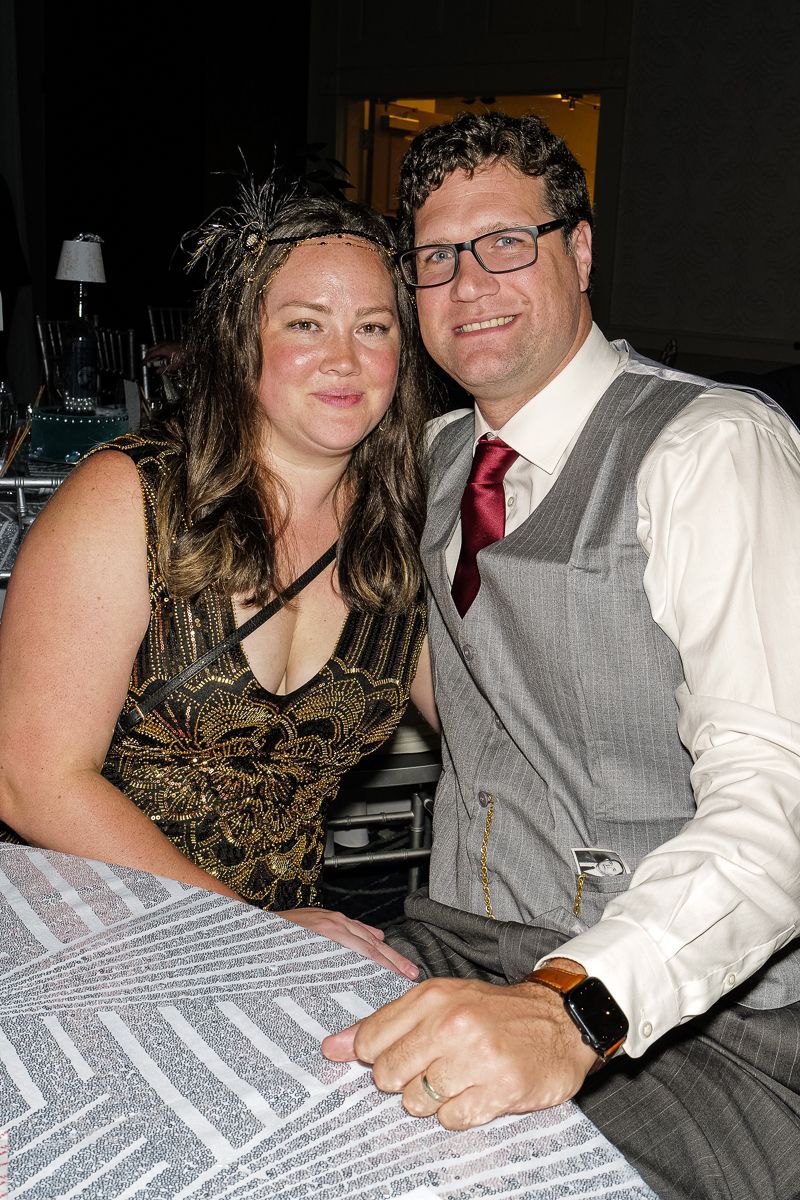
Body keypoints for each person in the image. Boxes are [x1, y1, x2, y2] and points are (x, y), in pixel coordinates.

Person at [322, 111, 800, 1198]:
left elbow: (778, 800)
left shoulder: (711, 448)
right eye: (435, 257)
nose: (466, 282)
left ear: (577, 251)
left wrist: (571, 1005)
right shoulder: (434, 457)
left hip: (686, 1013)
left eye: (505, 242)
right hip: (455, 934)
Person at [0, 180, 439, 979]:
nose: (345, 358)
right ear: (245, 340)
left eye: (373, 328)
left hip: (282, 955)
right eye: (306, 324)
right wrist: (254, 933)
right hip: (82, 939)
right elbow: (33, 778)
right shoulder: (127, 497)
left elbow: (492, 731)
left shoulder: (406, 535)